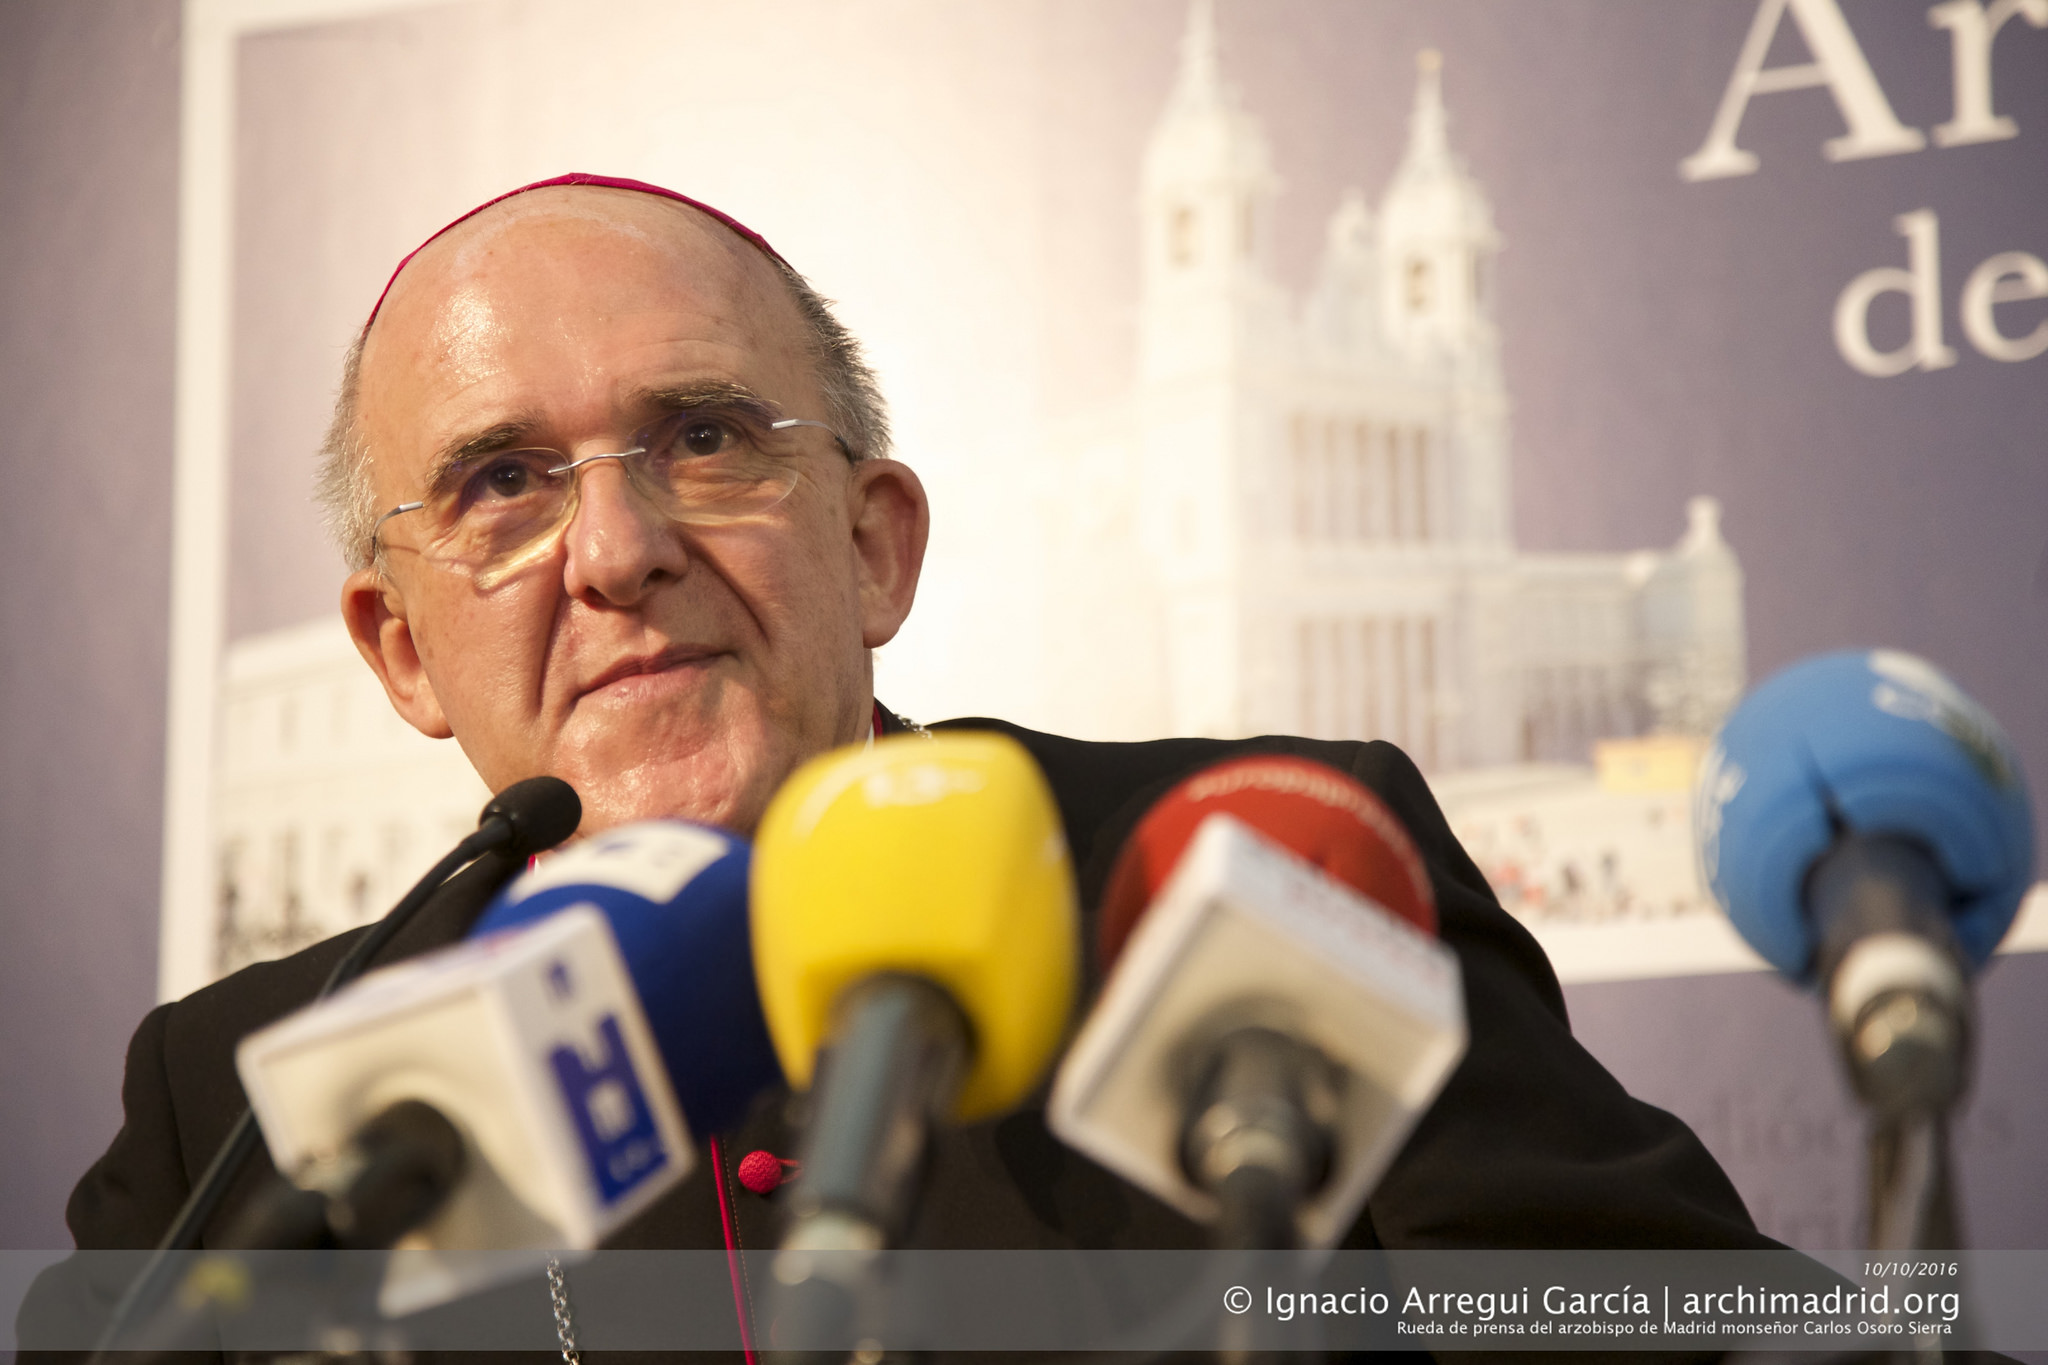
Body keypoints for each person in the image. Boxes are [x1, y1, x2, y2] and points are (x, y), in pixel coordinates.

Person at [26, 174, 1772, 1357]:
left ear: (873, 546)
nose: (615, 547)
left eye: (704, 438)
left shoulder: (1254, 872)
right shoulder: (242, 1103)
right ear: (403, 647)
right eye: (502, 483)